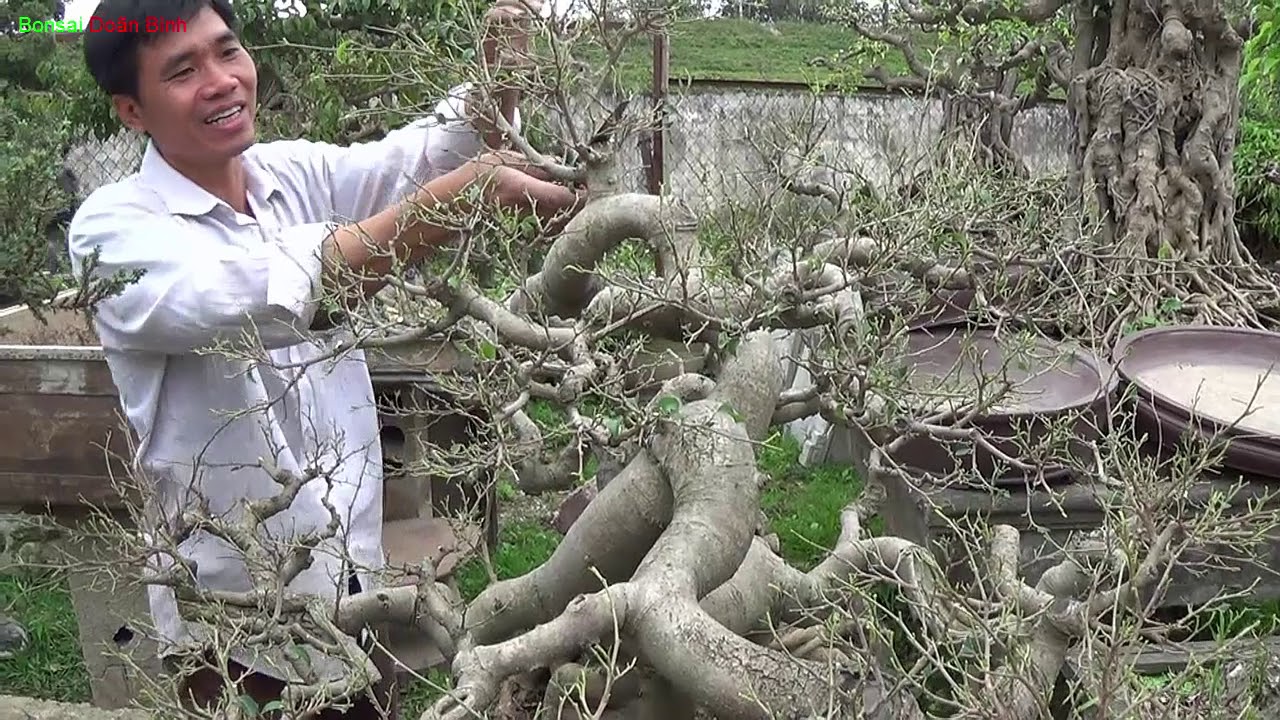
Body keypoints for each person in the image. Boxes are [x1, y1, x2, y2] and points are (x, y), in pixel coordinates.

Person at [67, 0, 581, 717]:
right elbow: (287, 294)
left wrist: (502, 67)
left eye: (227, 50)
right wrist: (460, 200)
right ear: (132, 110)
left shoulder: (288, 175)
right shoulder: (114, 234)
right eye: (183, 70)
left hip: (355, 584)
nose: (221, 80)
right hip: (241, 622)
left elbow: (426, 155)